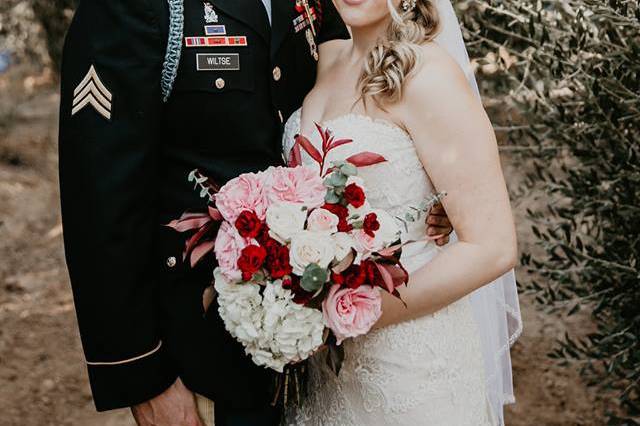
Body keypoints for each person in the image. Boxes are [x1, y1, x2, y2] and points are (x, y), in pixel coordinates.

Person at [57, 0, 454, 425]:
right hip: (199, 361)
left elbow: (365, 84)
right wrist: (143, 378)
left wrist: (434, 184)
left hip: (321, 360)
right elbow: (99, 199)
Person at [282, 0, 521, 424]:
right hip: (327, 376)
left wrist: (349, 314)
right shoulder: (327, 57)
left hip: (414, 368)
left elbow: (493, 246)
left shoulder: (430, 74)